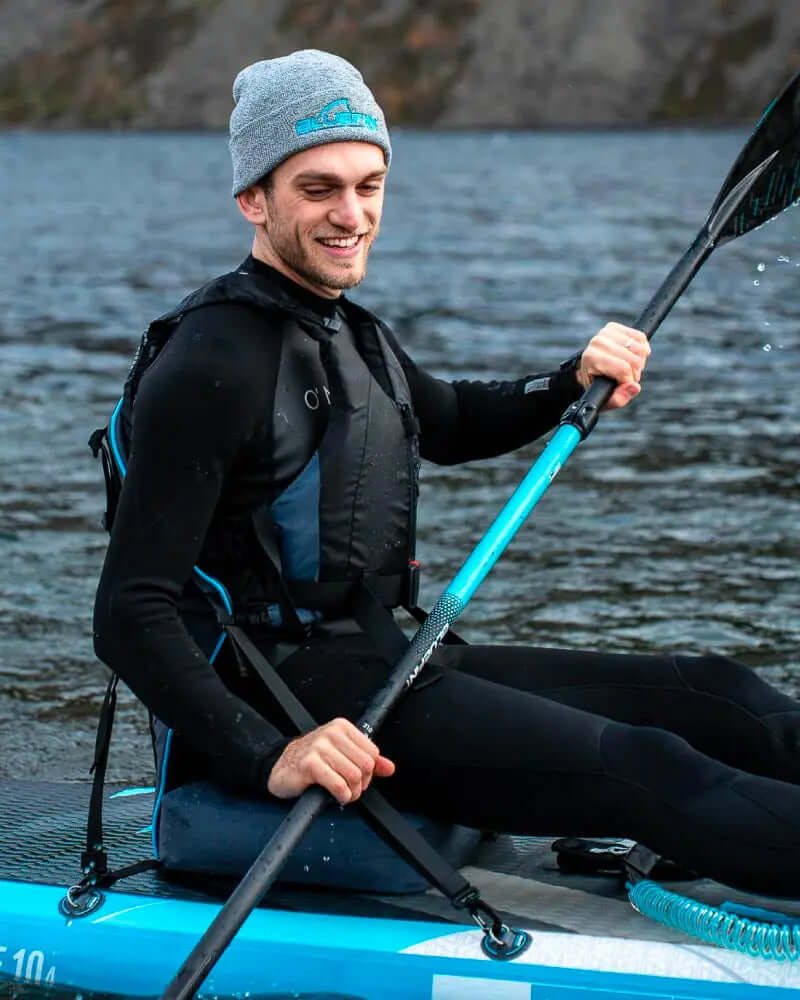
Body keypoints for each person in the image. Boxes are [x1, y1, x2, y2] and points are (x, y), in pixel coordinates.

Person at [94, 49, 800, 897]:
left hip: (392, 655)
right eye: (318, 189)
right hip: (296, 698)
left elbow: (451, 420)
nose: (351, 214)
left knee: (717, 693)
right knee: (647, 765)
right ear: (254, 199)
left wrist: (567, 379)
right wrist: (272, 753)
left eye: (369, 184)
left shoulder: (351, 331)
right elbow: (129, 613)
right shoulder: (209, 360)